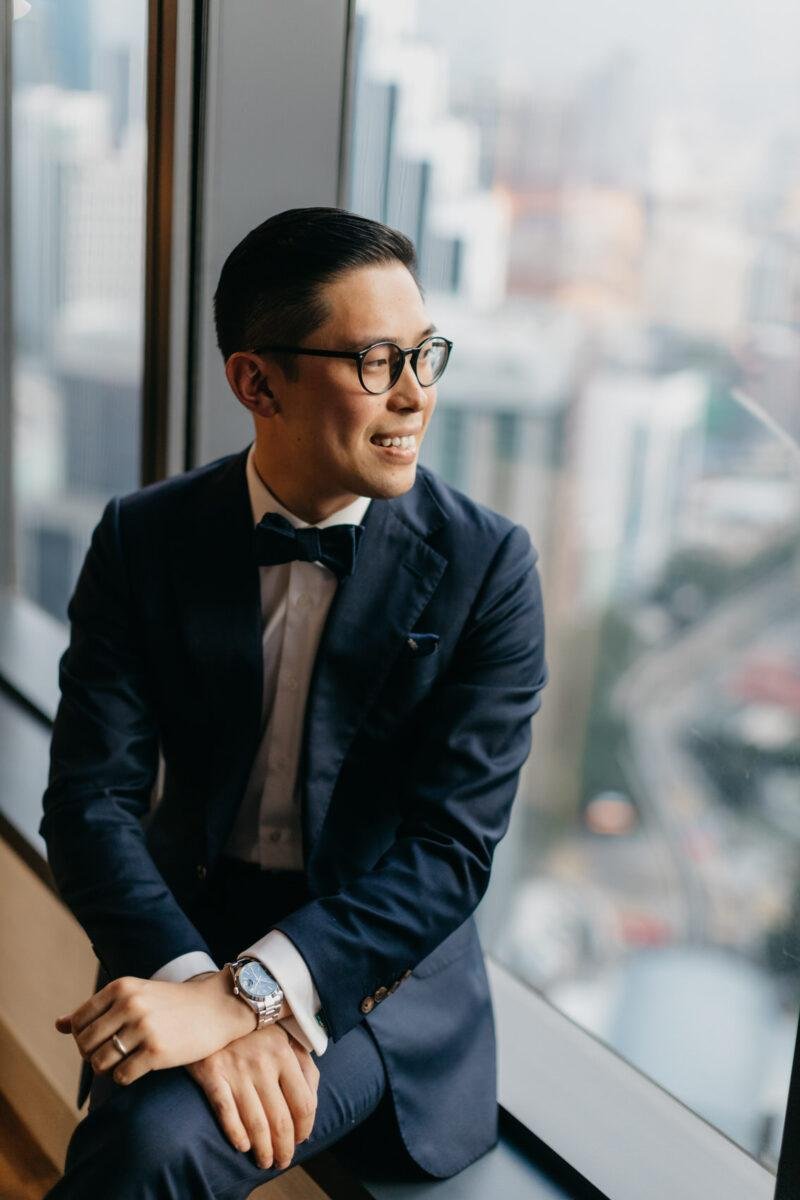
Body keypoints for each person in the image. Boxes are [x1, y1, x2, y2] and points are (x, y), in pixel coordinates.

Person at [40, 206, 548, 1198]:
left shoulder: (488, 566)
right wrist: (196, 981)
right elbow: (89, 799)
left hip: (376, 973)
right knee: (146, 1138)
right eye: (375, 361)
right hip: (189, 926)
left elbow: (447, 854)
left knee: (148, 1145)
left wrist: (250, 994)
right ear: (254, 381)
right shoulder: (143, 538)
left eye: (425, 354)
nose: (415, 396)